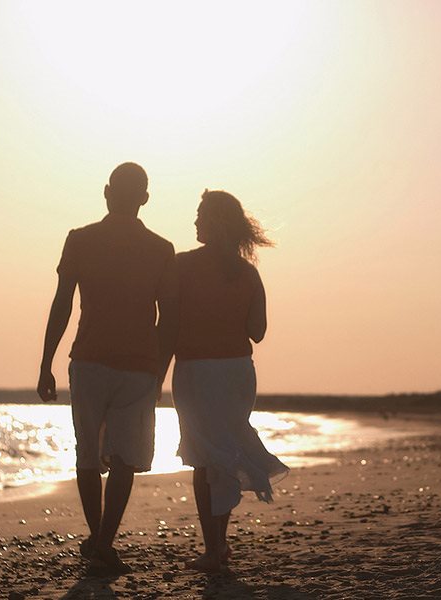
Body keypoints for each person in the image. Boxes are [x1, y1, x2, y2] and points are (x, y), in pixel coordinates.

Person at [37, 162, 178, 575]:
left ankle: (98, 540)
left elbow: (62, 302)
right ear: (144, 199)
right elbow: (167, 320)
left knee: (86, 452)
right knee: (124, 459)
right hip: (138, 365)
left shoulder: (81, 240)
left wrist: (45, 362)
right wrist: (161, 372)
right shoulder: (160, 249)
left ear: (106, 192)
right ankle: (103, 542)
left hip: (90, 360)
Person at [173, 189, 289, 573]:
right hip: (238, 371)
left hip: (197, 371)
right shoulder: (248, 273)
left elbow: (167, 324)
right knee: (221, 452)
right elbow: (258, 331)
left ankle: (214, 549)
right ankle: (219, 546)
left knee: (205, 459)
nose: (195, 221)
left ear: (216, 221)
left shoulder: (182, 266)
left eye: (200, 214)